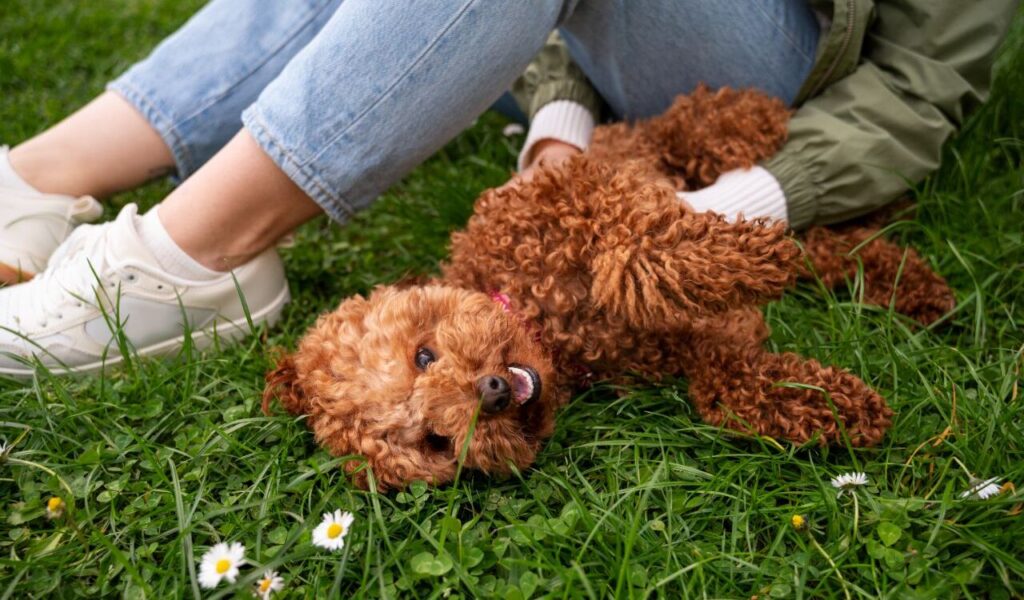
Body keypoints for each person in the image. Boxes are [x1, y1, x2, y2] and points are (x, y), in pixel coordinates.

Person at [0, 1, 1016, 376]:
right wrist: (559, 125)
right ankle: (38, 182)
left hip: (766, 77)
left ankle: (195, 258)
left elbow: (920, 90)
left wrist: (732, 204)